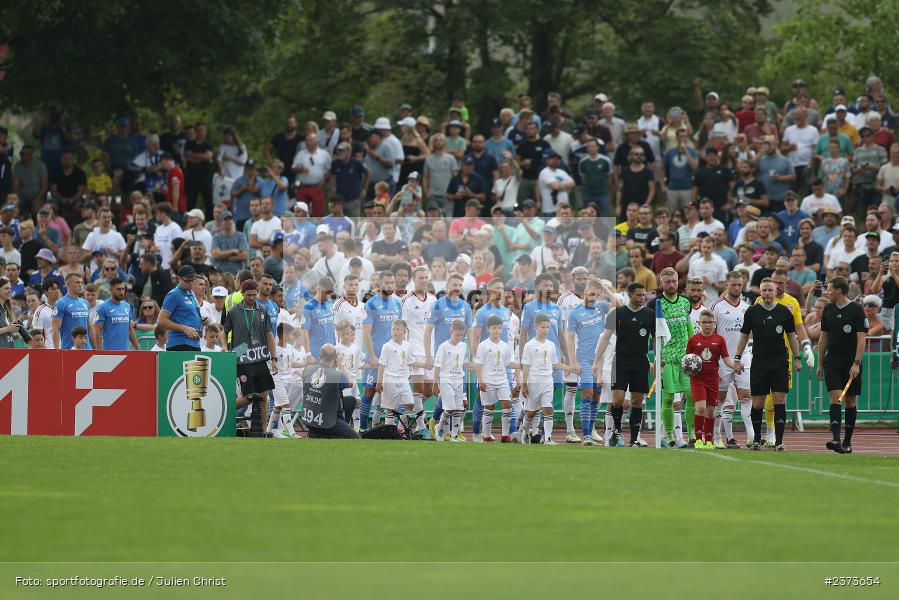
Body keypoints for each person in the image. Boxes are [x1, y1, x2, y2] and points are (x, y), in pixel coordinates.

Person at [734, 279, 802, 451]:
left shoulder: (785, 312)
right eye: (764, 290)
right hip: (759, 361)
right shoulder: (752, 312)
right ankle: (757, 439)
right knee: (757, 402)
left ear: (775, 291)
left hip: (780, 361)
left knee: (780, 399)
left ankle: (779, 441)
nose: (767, 293)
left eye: (770, 290)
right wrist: (737, 358)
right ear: (760, 292)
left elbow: (792, 336)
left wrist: (797, 357)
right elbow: (744, 335)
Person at [817, 276, 867, 454]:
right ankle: (836, 439)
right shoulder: (829, 309)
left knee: (850, 400)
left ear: (839, 290)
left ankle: (847, 442)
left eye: (830, 288)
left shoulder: (856, 310)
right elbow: (823, 337)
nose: (827, 291)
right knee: (835, 397)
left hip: (850, 363)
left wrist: (856, 363)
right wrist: (820, 364)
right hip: (832, 362)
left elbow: (862, 339)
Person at [222, 279, 278, 434]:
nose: (252, 298)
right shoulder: (234, 311)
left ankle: (263, 430)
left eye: (254, 295)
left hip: (260, 355)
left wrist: (274, 358)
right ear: (242, 293)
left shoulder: (263, 310)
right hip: (242, 354)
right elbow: (223, 332)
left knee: (264, 396)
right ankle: (222, 410)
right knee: (250, 396)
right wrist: (225, 348)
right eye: (249, 295)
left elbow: (269, 335)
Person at [566, 279, 612, 446]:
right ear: (584, 293)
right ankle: (585, 436)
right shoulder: (575, 312)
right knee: (586, 394)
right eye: (590, 294)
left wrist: (606, 289)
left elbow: (619, 304)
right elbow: (569, 338)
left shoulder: (601, 307)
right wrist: (573, 361)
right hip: (583, 360)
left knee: (596, 397)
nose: (593, 298)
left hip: (600, 360)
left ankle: (590, 432)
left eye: (596, 295)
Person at [712, 271, 755, 447]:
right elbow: (711, 334)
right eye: (733, 285)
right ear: (726, 285)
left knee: (746, 396)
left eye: (740, 285)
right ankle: (716, 437)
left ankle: (752, 436)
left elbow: (750, 334)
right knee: (720, 398)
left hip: (743, 358)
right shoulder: (716, 307)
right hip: (723, 359)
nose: (737, 288)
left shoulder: (747, 308)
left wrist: (749, 352)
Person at [358, 270, 404, 430]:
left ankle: (394, 429)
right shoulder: (370, 304)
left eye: (392, 283)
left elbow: (401, 331)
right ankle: (363, 429)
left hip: (394, 358)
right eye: (387, 283)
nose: (390, 286)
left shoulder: (398, 303)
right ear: (380, 283)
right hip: (376, 357)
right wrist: (371, 356)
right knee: (369, 392)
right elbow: (366, 333)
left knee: (395, 393)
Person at [655, 268, 694, 447]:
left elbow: (689, 328)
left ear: (679, 281)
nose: (671, 285)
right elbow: (654, 334)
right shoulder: (657, 304)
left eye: (674, 281)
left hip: (686, 358)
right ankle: (669, 435)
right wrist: (658, 359)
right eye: (667, 282)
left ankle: (692, 433)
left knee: (691, 396)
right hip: (668, 358)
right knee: (669, 397)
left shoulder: (686, 302)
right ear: (661, 283)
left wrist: (694, 350)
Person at [686, 309, 737, 448]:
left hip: (713, 379)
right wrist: (687, 370)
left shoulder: (719, 340)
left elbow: (726, 358)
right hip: (698, 379)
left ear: (715, 323)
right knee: (701, 408)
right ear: (699, 323)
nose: (707, 325)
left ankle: (709, 440)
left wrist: (735, 366)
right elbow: (687, 360)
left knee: (710, 410)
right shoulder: (693, 340)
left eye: (710, 322)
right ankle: (698, 439)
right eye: (704, 322)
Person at [401, 266, 437, 438]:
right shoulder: (406, 300)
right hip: (414, 349)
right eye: (420, 277)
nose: (424, 280)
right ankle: (420, 426)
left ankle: (406, 415)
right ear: (414, 279)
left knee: (429, 390)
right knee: (418, 387)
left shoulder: (433, 299)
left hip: (429, 349)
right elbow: (401, 327)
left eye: (426, 277)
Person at [299, 343, 360, 439]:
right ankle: (330, 433)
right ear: (335, 358)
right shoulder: (337, 375)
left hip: (309, 419)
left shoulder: (307, 370)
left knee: (350, 401)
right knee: (355, 439)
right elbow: (350, 383)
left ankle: (318, 433)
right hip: (326, 421)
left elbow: (325, 374)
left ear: (320, 356)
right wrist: (340, 364)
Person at [432, 320, 471, 442]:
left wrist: (477, 366)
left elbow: (464, 363)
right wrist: (435, 383)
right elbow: (437, 366)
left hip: (459, 380)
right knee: (449, 409)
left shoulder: (463, 346)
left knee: (459, 408)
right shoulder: (443, 347)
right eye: (457, 334)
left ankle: (454, 435)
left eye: (461, 335)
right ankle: (440, 428)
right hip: (446, 380)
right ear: (451, 331)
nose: (459, 337)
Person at [158, 265, 203, 351]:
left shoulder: (190, 292)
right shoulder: (174, 294)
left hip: (194, 342)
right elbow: (161, 321)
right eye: (187, 281)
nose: (190, 283)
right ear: (179, 279)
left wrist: (201, 320)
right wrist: (184, 328)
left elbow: (186, 314)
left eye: (193, 280)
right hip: (180, 344)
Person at [93, 277, 139, 351]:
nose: (121, 292)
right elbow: (97, 331)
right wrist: (99, 352)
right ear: (111, 290)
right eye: (118, 289)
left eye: (123, 289)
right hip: (109, 353)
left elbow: (130, 329)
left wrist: (138, 348)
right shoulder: (102, 307)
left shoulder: (127, 306)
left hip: (125, 352)